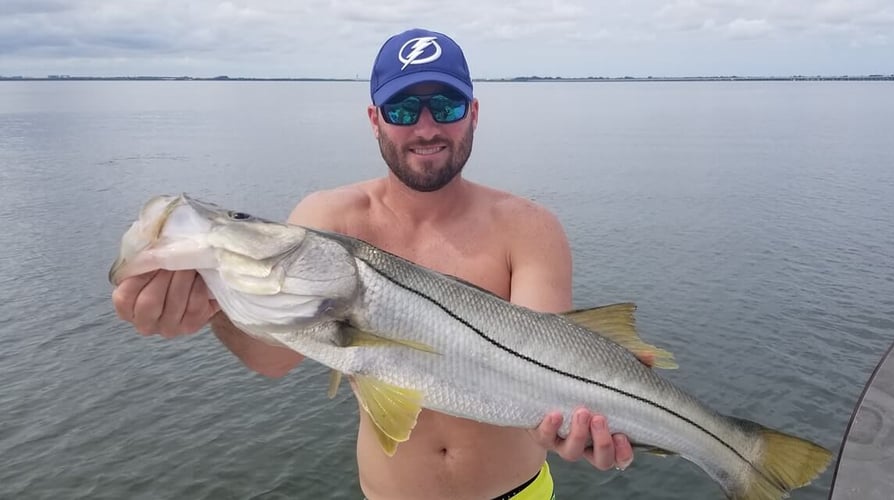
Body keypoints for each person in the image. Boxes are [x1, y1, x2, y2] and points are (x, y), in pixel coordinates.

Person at [111, 28, 634, 500]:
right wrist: (212, 307)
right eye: (403, 110)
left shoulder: (530, 227)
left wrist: (577, 429)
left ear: (474, 112)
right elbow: (274, 359)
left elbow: (553, 373)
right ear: (374, 120)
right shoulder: (324, 223)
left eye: (445, 106)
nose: (425, 128)